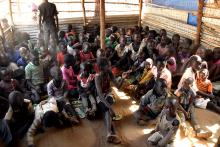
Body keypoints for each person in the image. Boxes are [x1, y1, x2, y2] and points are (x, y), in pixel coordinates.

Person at [95, 57, 122, 144]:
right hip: (101, 97)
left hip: (108, 94)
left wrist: (123, 78)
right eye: (108, 66)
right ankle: (110, 133)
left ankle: (109, 133)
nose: (110, 67)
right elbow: (100, 94)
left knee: (107, 110)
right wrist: (109, 107)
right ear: (102, 67)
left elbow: (118, 87)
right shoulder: (97, 77)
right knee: (107, 110)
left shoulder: (109, 73)